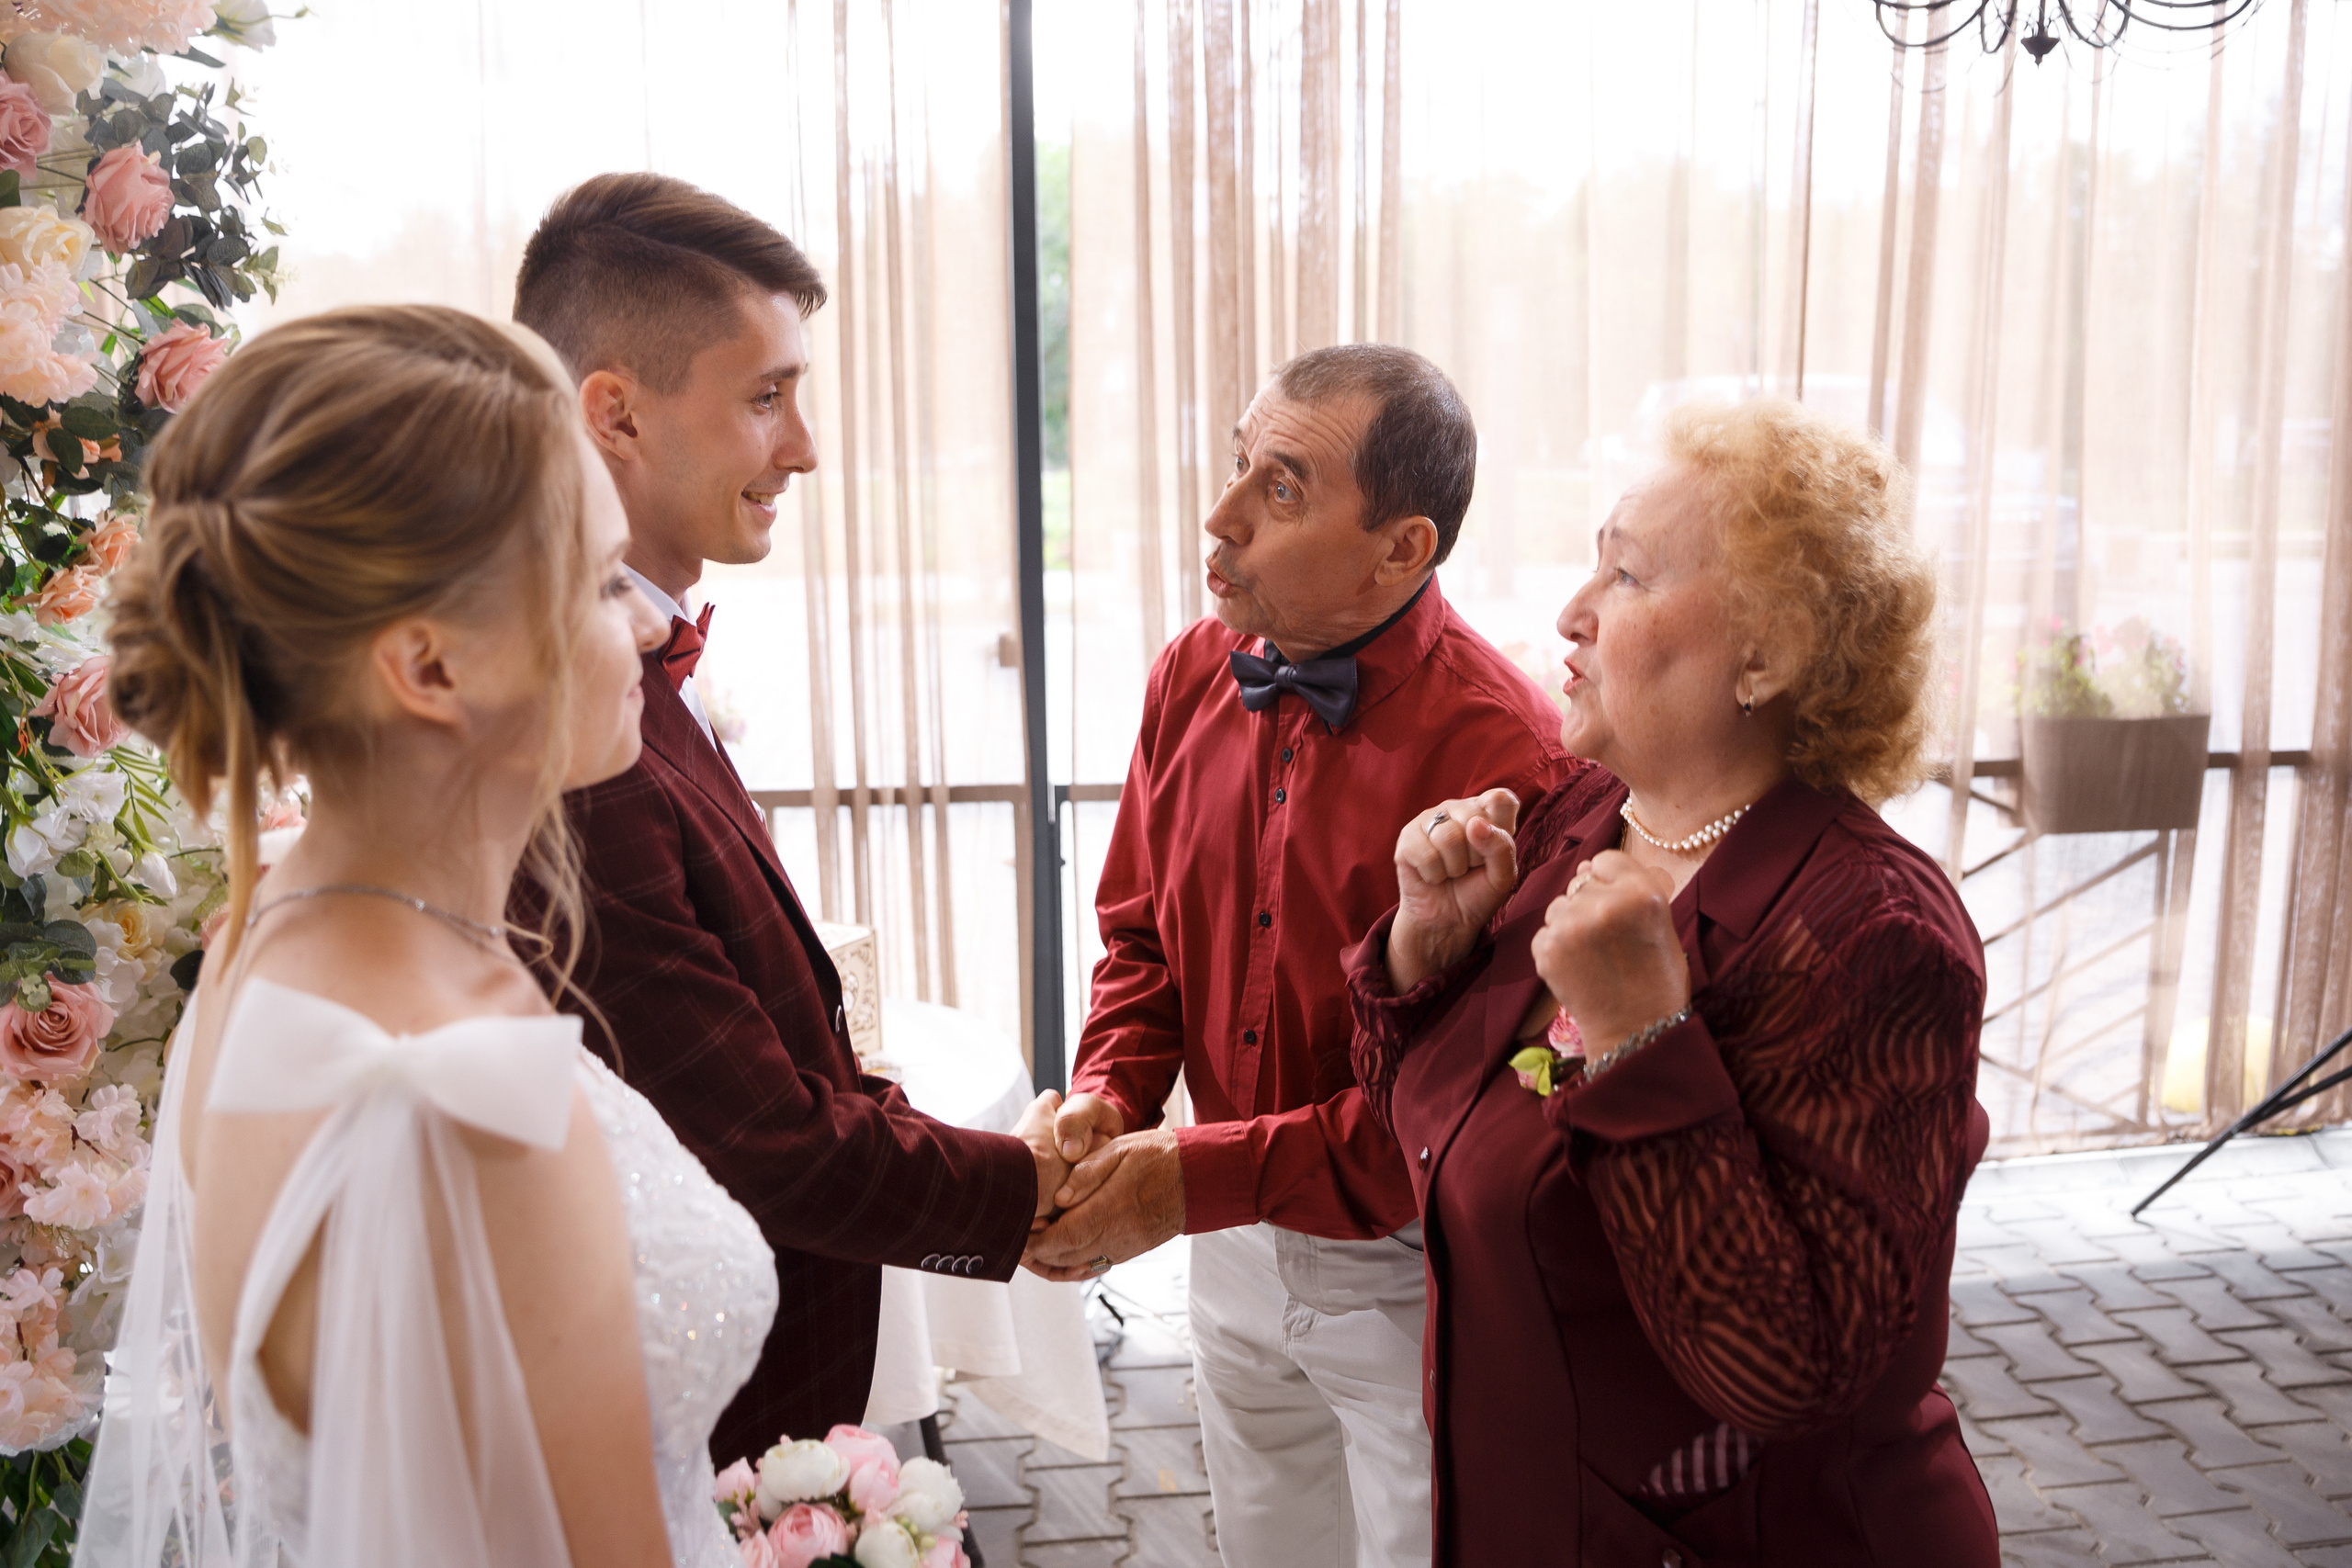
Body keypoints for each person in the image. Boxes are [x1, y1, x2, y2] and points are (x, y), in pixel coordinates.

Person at [76, 305, 760, 1567]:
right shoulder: (479, 1096)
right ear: (428, 666)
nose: (656, 625)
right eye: (606, 582)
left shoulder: (264, 931)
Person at [1344, 398, 1998, 1565]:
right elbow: (1423, 1138)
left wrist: (1645, 1037)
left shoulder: (1875, 935)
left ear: (1768, 653)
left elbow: (1787, 1372)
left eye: (1629, 577)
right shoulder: (1584, 820)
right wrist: (1421, 952)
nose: (1571, 613)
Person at [508, 172, 1068, 1465]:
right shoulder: (577, 729)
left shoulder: (628, 666)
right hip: (697, 1439)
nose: (805, 446)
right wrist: (1029, 1186)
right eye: (767, 396)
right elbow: (755, 1132)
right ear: (617, 411)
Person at [1026, 344, 1576, 1568]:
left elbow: (1460, 1103)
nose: (1219, 518)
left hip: (1411, 1261)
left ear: (1404, 548)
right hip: (1219, 1235)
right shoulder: (1187, 673)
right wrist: (1116, 1091)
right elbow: (1137, 939)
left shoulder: (1511, 751)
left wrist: (1186, 1178)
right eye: (1235, 465)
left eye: (1280, 488)